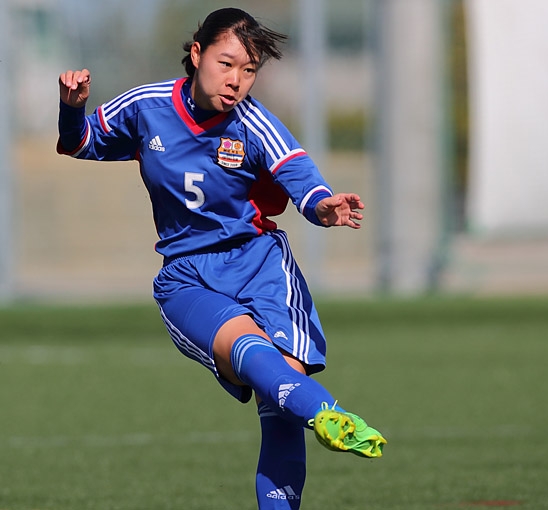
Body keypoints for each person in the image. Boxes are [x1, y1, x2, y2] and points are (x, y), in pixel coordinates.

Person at [56, 7, 386, 509]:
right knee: (261, 365)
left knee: (279, 393)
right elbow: (80, 143)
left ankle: (309, 419)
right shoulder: (148, 107)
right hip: (187, 279)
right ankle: (326, 413)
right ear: (196, 54)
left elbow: (299, 175)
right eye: (226, 64)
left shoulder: (253, 123)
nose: (236, 81)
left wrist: (325, 204)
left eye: (249, 70)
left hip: (258, 266)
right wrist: (72, 107)